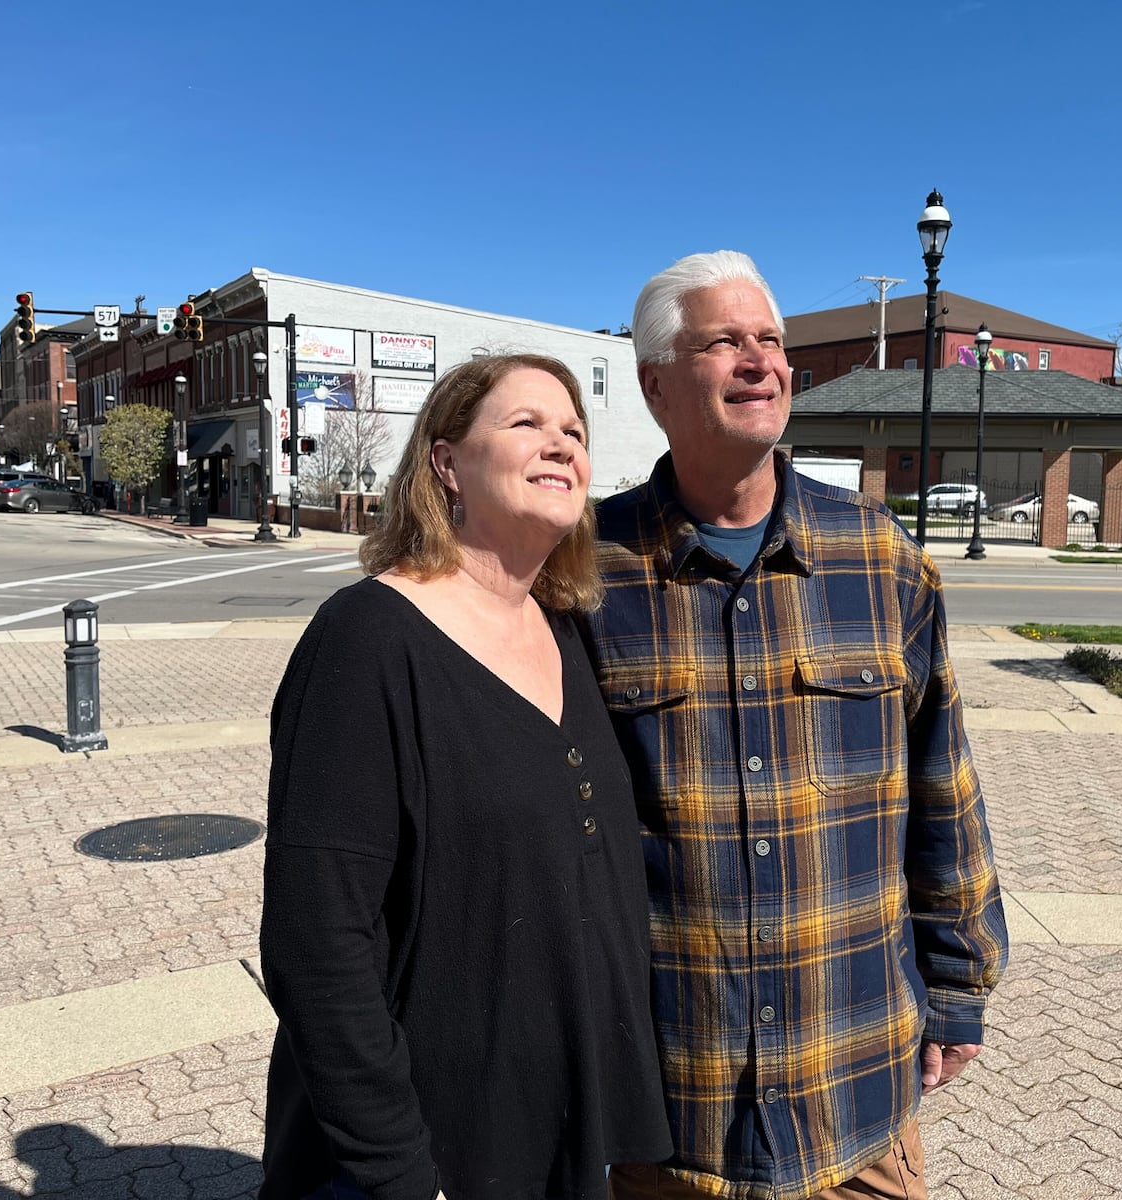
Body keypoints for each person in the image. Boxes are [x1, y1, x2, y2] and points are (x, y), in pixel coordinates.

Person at [583, 252, 1009, 1200]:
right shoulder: (586, 571)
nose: (760, 361)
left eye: (769, 340)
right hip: (670, 1110)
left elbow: (943, 781)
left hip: (851, 1097)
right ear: (655, 384)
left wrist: (958, 987)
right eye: (723, 341)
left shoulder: (879, 557)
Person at [259, 353, 672, 1200]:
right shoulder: (367, 640)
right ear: (446, 462)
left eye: (574, 432)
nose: (560, 444)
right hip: (427, 1152)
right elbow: (316, 941)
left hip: (550, 1134)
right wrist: (398, 1170)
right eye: (526, 424)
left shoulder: (561, 632)